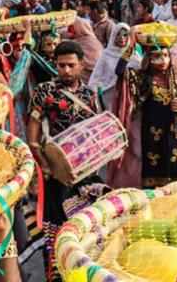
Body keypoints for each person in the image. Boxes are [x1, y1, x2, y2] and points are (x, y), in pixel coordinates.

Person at [27, 41, 110, 280]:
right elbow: (33, 137)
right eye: (60, 65)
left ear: (82, 65)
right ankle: (58, 276)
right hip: (57, 175)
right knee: (59, 228)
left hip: (87, 173)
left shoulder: (91, 95)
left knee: (88, 227)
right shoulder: (44, 92)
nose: (65, 70)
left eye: (70, 65)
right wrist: (46, 167)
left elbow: (99, 133)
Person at [108, 29, 177, 188]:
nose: (163, 60)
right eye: (157, 56)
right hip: (151, 138)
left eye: (166, 56)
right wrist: (131, 47)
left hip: (175, 137)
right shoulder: (141, 78)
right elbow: (119, 71)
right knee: (153, 186)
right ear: (148, 58)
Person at [88, 22, 130, 111]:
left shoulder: (133, 55)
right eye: (118, 35)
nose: (122, 38)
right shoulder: (106, 55)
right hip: (108, 97)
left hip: (128, 97)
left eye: (125, 35)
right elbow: (96, 77)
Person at [65, 17, 104, 83]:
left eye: (73, 28)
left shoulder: (90, 42)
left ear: (80, 29)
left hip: (92, 76)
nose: (72, 31)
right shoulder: (81, 40)